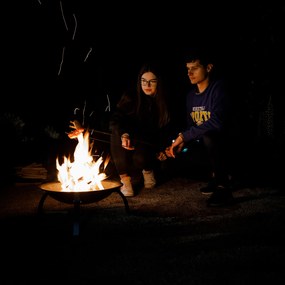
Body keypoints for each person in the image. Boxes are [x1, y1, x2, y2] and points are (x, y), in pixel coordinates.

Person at [165, 48, 234, 207]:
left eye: (194, 68)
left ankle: (223, 187)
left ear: (208, 68)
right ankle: (215, 177)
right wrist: (182, 142)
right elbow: (192, 128)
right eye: (188, 69)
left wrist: (184, 136)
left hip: (227, 144)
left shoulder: (219, 89)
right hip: (205, 146)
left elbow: (217, 122)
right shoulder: (190, 96)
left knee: (210, 136)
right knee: (179, 151)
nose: (189, 73)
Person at [109, 62, 174, 197]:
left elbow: (167, 129)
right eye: (143, 81)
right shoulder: (131, 96)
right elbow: (115, 120)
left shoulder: (164, 101)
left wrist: (164, 149)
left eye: (152, 82)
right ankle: (125, 180)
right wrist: (124, 134)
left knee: (142, 157)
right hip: (127, 139)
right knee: (115, 134)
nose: (147, 86)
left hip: (148, 143)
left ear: (159, 83)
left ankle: (148, 170)